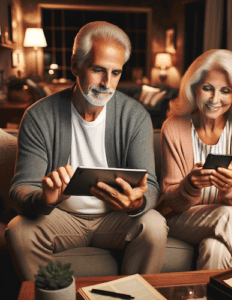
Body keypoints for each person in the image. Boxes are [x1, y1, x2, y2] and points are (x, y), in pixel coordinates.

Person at [5, 21, 168, 281]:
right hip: (62, 217)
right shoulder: (39, 116)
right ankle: (53, 296)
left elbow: (150, 185)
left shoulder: (135, 116)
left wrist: (136, 202)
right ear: (75, 66)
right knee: (18, 230)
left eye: (115, 73)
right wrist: (45, 198)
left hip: (115, 218)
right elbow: (21, 188)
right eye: (97, 69)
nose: (107, 83)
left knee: (155, 225)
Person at [157, 49, 232, 270]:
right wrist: (191, 184)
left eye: (225, 91)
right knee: (229, 214)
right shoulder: (173, 127)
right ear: (194, 88)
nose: (215, 99)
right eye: (208, 88)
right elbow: (171, 200)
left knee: (215, 250)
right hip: (182, 218)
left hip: (228, 219)